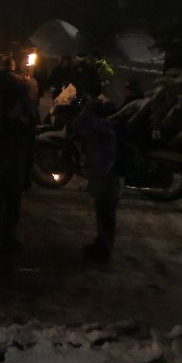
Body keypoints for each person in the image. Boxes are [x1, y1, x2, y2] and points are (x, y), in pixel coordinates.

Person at [0, 73, 37, 257]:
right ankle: (3, 237)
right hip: (10, 170)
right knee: (8, 205)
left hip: (4, 170)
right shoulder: (19, 127)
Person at [70, 97, 121, 262]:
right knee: (104, 213)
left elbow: (77, 125)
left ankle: (103, 251)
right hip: (108, 178)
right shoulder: (107, 127)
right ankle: (101, 244)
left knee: (105, 214)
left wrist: (87, 109)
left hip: (107, 179)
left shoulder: (101, 129)